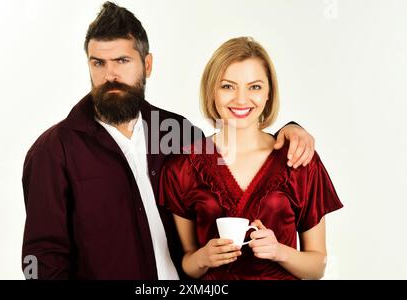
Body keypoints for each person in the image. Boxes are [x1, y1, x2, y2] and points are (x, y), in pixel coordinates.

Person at [21, 2, 316, 280]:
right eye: (98, 63)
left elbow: (238, 142)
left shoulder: (176, 131)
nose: (110, 75)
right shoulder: (54, 150)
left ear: (147, 64)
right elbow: (43, 257)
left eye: (122, 60)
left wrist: (289, 130)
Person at [159, 37, 343, 280]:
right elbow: (188, 262)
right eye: (227, 86)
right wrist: (203, 258)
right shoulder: (182, 167)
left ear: (269, 93)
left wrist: (279, 252)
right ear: (211, 91)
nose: (241, 99)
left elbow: (317, 265)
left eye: (254, 87)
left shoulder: (298, 158)